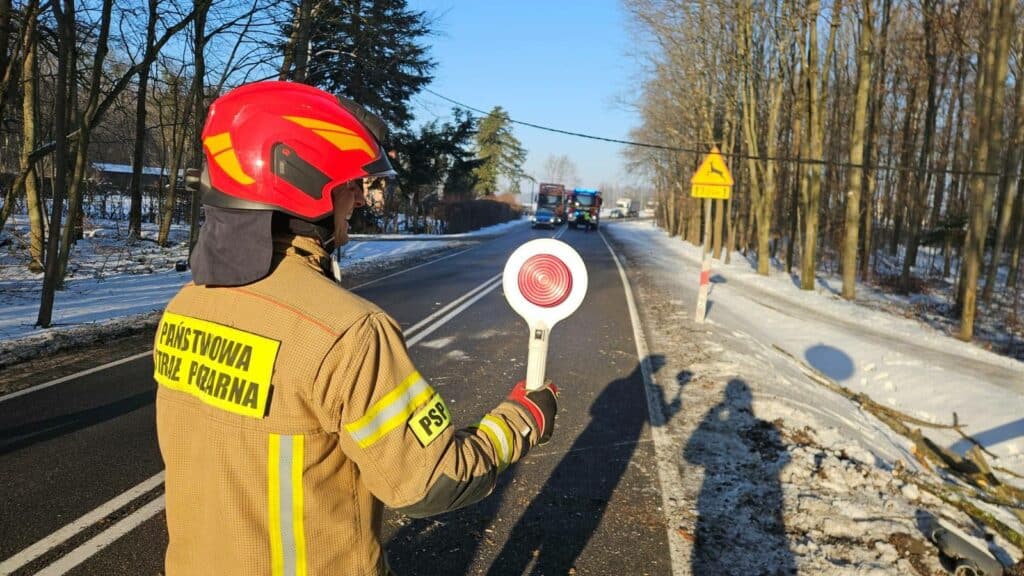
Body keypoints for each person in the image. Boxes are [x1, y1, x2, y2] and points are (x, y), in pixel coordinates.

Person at [152, 81, 559, 576]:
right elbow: (433, 481)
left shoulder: (186, 306)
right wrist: (522, 421)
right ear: (301, 184)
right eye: (350, 185)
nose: (358, 201)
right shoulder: (350, 333)